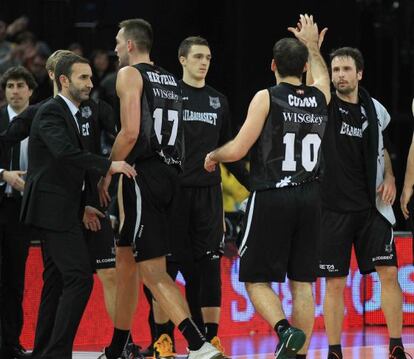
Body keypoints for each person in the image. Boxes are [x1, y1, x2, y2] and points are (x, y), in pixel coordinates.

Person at [97, 18, 226, 359]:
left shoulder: (130, 74)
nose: (113, 47)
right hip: (173, 175)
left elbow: (129, 133)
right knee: (125, 261)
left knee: (152, 271)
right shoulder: (169, 78)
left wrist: (107, 170)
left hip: (143, 173)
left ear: (129, 45)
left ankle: (197, 343)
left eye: (116, 41)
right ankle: (117, 347)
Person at [204, 14, 330, 359]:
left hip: (274, 193)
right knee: (302, 283)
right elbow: (322, 76)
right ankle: (299, 354)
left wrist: (214, 154)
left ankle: (284, 330)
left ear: (272, 64)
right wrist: (313, 45)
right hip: (311, 196)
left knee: (255, 279)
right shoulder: (321, 96)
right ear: (303, 66)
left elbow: (239, 149)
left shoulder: (267, 96)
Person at [22, 52, 136, 359]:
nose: (90, 83)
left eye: (90, 76)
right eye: (83, 77)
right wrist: (108, 166)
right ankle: (57, 353)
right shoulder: (50, 112)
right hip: (51, 208)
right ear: (63, 80)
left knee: (56, 280)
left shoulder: (81, 111)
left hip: (66, 206)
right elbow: (65, 154)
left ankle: (45, 351)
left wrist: (86, 203)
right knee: (79, 278)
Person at [151, 36, 250, 358]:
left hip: (208, 197)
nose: (204, 62)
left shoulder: (218, 100)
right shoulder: (169, 96)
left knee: (208, 269)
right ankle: (163, 339)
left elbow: (229, 152)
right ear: (182, 60)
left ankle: (211, 339)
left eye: (208, 57)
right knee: (165, 268)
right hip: (173, 195)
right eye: (197, 57)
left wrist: (254, 185)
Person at [315, 44, 408, 359]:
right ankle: (334, 351)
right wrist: (313, 48)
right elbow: (317, 74)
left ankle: (396, 346)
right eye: (335, 70)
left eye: (345, 69)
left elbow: (382, 148)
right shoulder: (325, 103)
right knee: (335, 284)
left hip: (372, 209)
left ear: (359, 73)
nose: (340, 75)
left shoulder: (375, 109)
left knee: (390, 274)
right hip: (333, 209)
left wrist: (392, 177)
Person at [0, 66, 36, 359]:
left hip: (21, 211)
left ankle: (11, 343)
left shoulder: (41, 119)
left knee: (15, 278)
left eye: (20, 85)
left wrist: (32, 180)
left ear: (31, 91)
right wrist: (3, 174)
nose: (14, 90)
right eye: (10, 85)